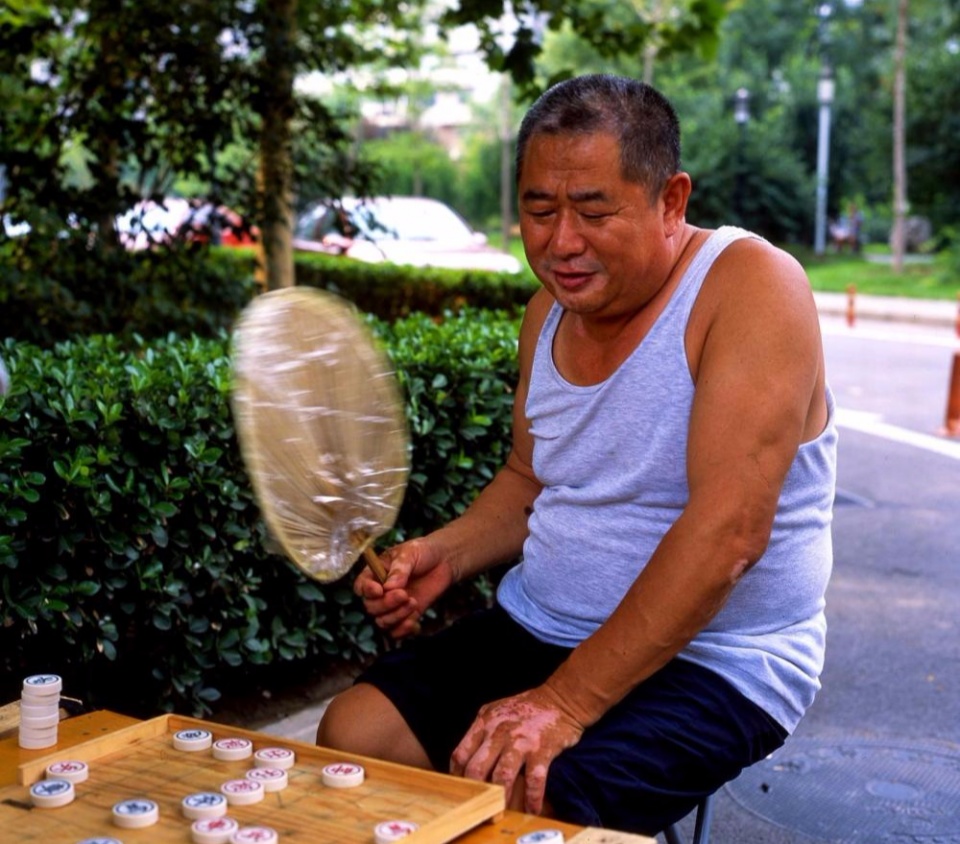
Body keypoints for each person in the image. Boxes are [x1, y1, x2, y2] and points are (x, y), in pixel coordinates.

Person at [316, 74, 837, 836]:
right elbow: (531, 478)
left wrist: (562, 703)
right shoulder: (546, 314)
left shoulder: (750, 287)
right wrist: (447, 555)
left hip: (722, 659)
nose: (561, 242)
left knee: (531, 804)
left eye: (593, 210)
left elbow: (731, 534)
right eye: (538, 210)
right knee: (355, 738)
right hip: (544, 623)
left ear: (671, 200)